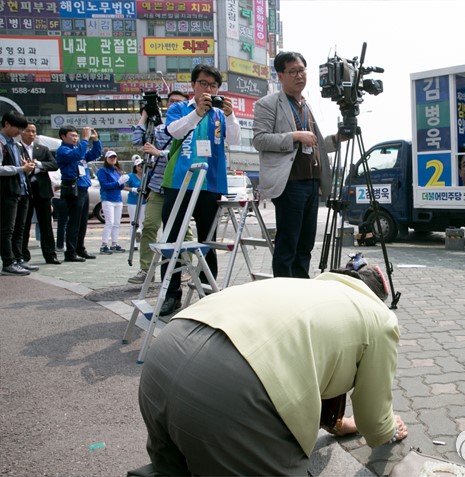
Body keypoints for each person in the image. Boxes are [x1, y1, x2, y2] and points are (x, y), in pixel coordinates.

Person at [137, 260, 407, 476]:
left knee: (171, 470)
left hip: (163, 357)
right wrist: (388, 430)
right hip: (230, 390)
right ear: (378, 298)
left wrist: (340, 424)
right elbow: (374, 419)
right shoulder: (379, 318)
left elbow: (315, 371)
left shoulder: (304, 289)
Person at [159, 65, 241, 315]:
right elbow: (173, 131)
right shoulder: (179, 108)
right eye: (203, 84)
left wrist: (230, 115)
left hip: (210, 184)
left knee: (208, 240)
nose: (208, 89)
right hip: (179, 182)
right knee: (172, 240)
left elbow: (234, 139)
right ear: (193, 85)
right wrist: (197, 112)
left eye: (213, 85)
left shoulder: (220, 113)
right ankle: (170, 294)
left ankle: (207, 293)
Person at [253, 51, 340, 278]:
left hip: (312, 182)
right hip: (290, 183)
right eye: (293, 71)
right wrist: (295, 136)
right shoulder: (268, 104)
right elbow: (260, 140)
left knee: (306, 244)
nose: (299, 76)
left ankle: (302, 287)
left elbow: (316, 144)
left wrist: (337, 139)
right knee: (288, 244)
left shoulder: (306, 105)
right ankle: (283, 290)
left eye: (302, 70)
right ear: (280, 75)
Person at [128, 90, 190, 285]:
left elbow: (184, 155)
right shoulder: (159, 129)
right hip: (157, 186)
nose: (174, 105)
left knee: (183, 230)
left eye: (179, 102)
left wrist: (159, 153)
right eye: (171, 101)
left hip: (179, 186)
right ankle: (146, 269)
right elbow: (136, 141)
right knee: (149, 226)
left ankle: (185, 267)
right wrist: (144, 116)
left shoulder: (191, 127)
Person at [56, 125, 102, 262]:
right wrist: (85, 139)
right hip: (73, 188)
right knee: (74, 222)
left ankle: (80, 248)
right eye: (72, 136)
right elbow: (76, 155)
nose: (75, 138)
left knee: (82, 222)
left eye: (77, 136)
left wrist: (96, 140)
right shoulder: (63, 151)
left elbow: (94, 154)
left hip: (83, 188)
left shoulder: (79, 149)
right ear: (63, 137)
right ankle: (70, 252)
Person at [19, 122, 60, 265]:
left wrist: (38, 164)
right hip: (25, 191)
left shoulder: (42, 149)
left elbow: (54, 165)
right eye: (28, 131)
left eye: (34, 131)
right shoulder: (16, 148)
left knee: (46, 225)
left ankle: (50, 254)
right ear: (21, 132)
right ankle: (22, 255)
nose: (31, 134)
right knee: (23, 224)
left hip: (42, 191)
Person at [0, 111, 35, 276]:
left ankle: (18, 259)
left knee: (19, 228)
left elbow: (21, 167)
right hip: (7, 191)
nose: (20, 132)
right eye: (18, 128)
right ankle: (8, 262)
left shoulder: (15, 144)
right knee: (7, 229)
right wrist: (21, 168)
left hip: (21, 189)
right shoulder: (1, 143)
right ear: (6, 124)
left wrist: (26, 167)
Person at [96, 151, 127, 254]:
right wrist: (118, 182)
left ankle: (114, 244)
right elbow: (105, 185)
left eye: (114, 157)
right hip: (108, 199)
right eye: (110, 157)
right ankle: (104, 245)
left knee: (117, 223)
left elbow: (121, 187)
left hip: (118, 199)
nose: (113, 159)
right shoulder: (102, 171)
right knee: (110, 222)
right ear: (106, 159)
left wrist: (122, 182)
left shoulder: (116, 170)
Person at [125, 154, 145, 245]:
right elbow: (123, 186)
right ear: (135, 167)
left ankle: (142, 241)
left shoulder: (146, 176)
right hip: (133, 202)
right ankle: (133, 243)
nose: (140, 167)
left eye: (142, 166)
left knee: (143, 222)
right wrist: (133, 189)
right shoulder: (130, 176)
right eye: (138, 166)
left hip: (144, 202)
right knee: (133, 222)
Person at [49, 169, 68, 253]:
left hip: (65, 198)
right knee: (62, 223)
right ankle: (60, 245)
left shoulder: (61, 170)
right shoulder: (51, 172)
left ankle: (61, 244)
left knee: (64, 223)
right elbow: (53, 185)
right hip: (58, 198)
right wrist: (64, 184)